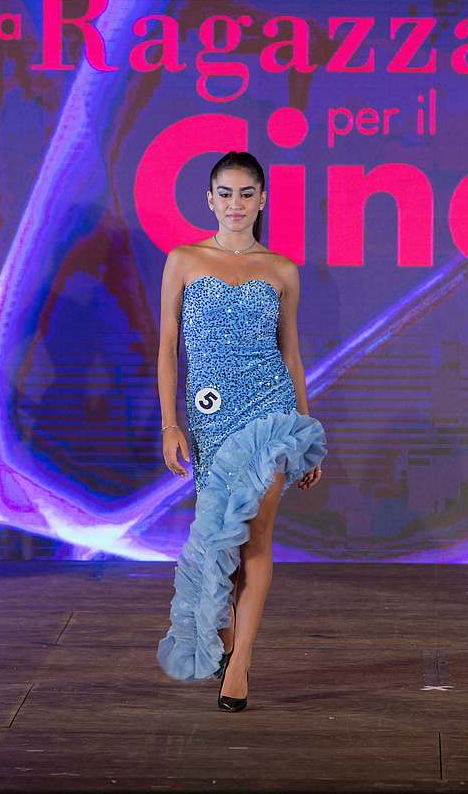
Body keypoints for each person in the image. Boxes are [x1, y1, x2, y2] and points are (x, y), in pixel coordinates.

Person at [155, 151, 326, 710]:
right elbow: (167, 348)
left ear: (262, 199)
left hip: (271, 415)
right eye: (225, 194)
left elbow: (291, 354)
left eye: (247, 193)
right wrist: (170, 423)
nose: (236, 204)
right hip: (210, 419)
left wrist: (305, 433)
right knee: (219, 539)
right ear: (210, 200)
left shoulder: (282, 270)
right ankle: (228, 643)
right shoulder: (183, 260)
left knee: (255, 537)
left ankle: (241, 663)